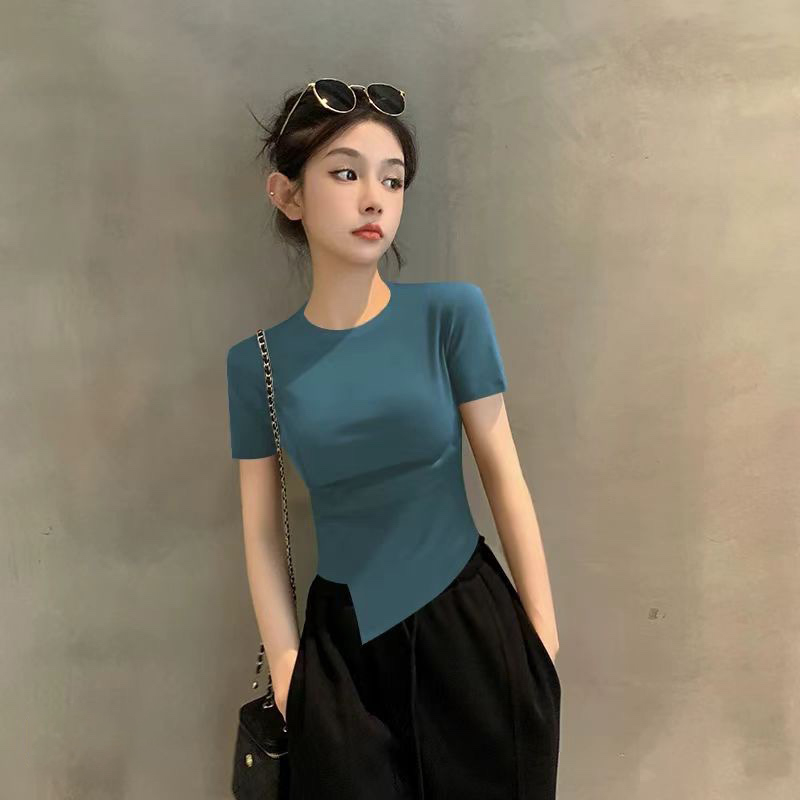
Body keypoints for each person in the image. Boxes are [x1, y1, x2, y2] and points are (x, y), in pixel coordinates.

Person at [226, 79, 561, 799]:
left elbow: (504, 472)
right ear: (288, 195)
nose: (374, 199)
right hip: (341, 653)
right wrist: (289, 673)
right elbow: (259, 532)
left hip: (473, 628)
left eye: (392, 179)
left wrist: (541, 639)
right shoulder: (257, 363)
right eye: (345, 174)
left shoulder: (451, 316)